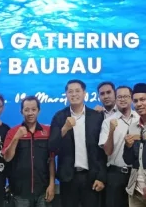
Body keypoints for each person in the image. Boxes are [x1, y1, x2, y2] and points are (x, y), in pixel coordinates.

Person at [50, 79, 107, 207]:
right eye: (70, 91)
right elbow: (52, 147)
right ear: (66, 94)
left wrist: (101, 177)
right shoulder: (59, 117)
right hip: (68, 177)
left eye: (77, 91)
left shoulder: (96, 116)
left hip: (92, 177)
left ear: (84, 93)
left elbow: (102, 151)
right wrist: (64, 129)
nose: (74, 94)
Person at [3, 96, 56, 207]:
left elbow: (51, 160)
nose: (30, 113)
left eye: (33, 109)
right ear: (21, 112)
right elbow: (7, 157)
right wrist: (16, 138)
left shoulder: (47, 132)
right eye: (26, 110)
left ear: (38, 111)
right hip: (20, 191)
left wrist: (52, 185)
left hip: (43, 190)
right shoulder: (13, 131)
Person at [99, 85, 136, 207]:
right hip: (115, 174)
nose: (122, 99)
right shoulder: (107, 122)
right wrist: (111, 131)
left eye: (126, 96)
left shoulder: (140, 118)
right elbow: (107, 152)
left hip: (136, 174)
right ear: (115, 99)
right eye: (119, 97)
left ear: (131, 98)